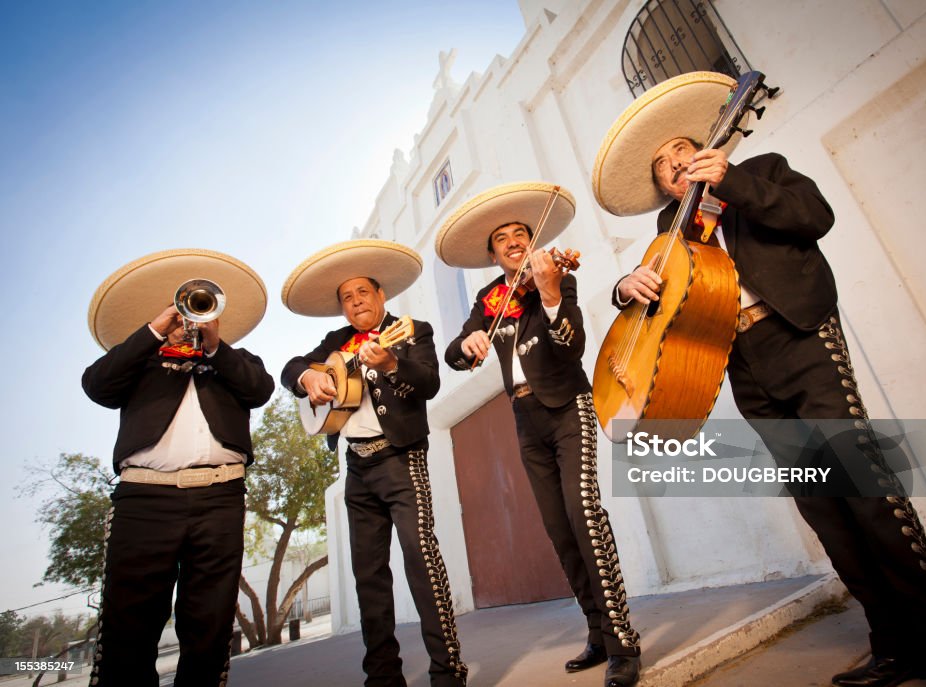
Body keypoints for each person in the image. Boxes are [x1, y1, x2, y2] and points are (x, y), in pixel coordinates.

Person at [593, 71, 926, 687]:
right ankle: (893, 645)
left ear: (705, 149)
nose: (674, 165)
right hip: (746, 367)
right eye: (662, 167)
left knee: (869, 495)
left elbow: (816, 215)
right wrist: (626, 288)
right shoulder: (667, 233)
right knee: (825, 510)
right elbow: (670, 310)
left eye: (681, 151)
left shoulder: (762, 171)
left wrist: (734, 182)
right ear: (660, 187)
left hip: (801, 339)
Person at [436, 182, 642, 687]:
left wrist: (549, 294)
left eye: (520, 234)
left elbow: (569, 346)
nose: (512, 241)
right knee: (558, 529)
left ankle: (622, 641)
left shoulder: (555, 275)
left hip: (568, 406)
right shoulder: (490, 299)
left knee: (584, 515)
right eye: (502, 238)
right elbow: (454, 356)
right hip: (525, 417)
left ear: (532, 242)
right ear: (492, 253)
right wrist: (471, 342)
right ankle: (596, 633)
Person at [81, 249, 275, 687]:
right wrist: (154, 330)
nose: (192, 318)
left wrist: (215, 346)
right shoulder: (141, 362)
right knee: (128, 630)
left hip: (219, 498)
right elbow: (96, 385)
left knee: (208, 627)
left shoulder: (234, 360)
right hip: (144, 500)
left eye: (199, 308)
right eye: (186, 310)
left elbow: (259, 389)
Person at [280, 239, 467, 687]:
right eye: (347, 297)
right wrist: (308, 378)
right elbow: (289, 368)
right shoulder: (336, 342)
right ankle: (383, 677)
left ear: (381, 296)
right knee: (368, 576)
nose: (356, 300)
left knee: (421, 561)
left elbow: (428, 382)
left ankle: (448, 672)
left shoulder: (411, 330)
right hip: (356, 468)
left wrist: (389, 363)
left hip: (401, 459)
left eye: (363, 291)